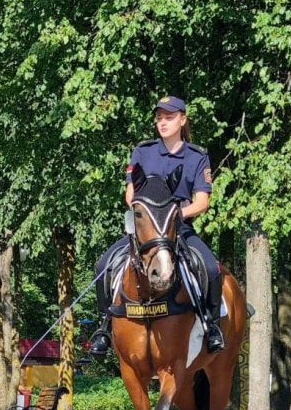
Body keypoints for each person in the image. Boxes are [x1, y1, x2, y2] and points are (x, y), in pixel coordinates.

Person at [89, 95, 225, 357]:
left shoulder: (197, 157)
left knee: (210, 268)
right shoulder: (143, 151)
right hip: (146, 231)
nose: (162, 122)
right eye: (159, 117)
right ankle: (105, 326)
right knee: (103, 264)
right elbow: (131, 195)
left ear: (182, 119)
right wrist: (151, 216)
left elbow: (202, 202)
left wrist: (173, 215)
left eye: (169, 117)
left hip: (178, 229)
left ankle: (212, 326)